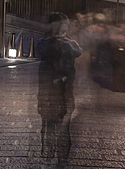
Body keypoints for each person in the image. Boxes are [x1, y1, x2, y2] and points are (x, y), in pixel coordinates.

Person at [36, 12, 83, 164]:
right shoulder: (65, 45)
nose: (66, 28)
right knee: (62, 128)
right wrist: (62, 38)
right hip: (62, 92)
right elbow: (76, 50)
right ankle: (61, 156)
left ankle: (50, 154)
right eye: (64, 25)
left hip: (49, 94)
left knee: (51, 126)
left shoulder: (44, 43)